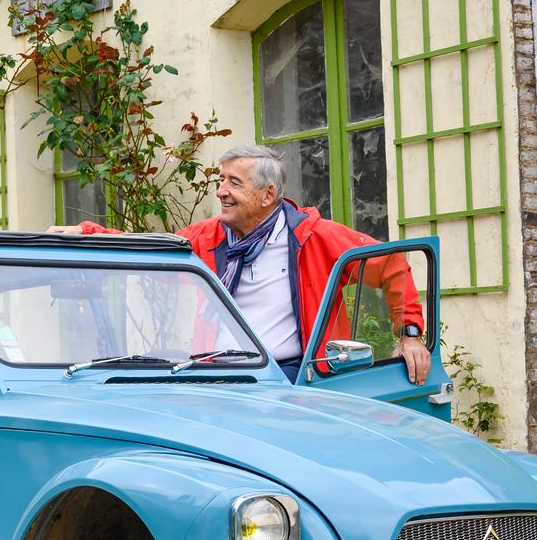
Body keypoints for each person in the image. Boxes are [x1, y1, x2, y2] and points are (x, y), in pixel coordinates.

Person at [58, 144, 427, 384]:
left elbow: (391, 263)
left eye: (234, 183)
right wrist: (88, 234)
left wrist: (409, 336)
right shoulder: (210, 236)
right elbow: (154, 254)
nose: (221, 191)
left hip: (292, 378)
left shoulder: (314, 237)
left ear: (268, 194)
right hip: (212, 376)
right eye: (222, 181)